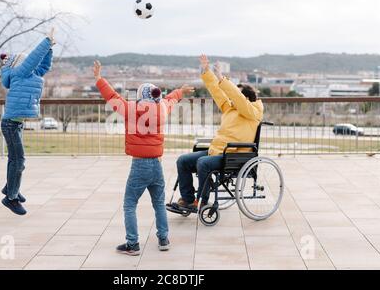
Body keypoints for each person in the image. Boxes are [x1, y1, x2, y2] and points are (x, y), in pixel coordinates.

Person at [93, 60, 194, 256]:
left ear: (140, 96)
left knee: (130, 204)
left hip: (139, 165)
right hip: (157, 164)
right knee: (158, 203)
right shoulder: (162, 109)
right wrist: (180, 91)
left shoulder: (131, 109)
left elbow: (112, 96)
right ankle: (163, 239)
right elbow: (170, 99)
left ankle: (133, 244)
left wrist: (99, 79)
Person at [173, 54, 264, 211]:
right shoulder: (230, 108)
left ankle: (201, 201)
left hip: (234, 156)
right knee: (183, 161)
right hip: (218, 151)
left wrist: (222, 77)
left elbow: (238, 97)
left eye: (236, 95)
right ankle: (187, 199)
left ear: (246, 97)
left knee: (203, 163)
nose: (231, 97)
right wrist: (206, 71)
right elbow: (217, 91)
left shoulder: (253, 111)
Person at [0, 28, 56, 216]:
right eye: (26, 62)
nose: (30, 64)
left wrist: (50, 50)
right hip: (10, 124)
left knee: (14, 159)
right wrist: (46, 41)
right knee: (19, 160)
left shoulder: (31, 75)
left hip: (15, 123)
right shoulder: (20, 73)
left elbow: (43, 66)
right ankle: (11, 198)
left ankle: (10, 188)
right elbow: (33, 58)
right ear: (20, 65)